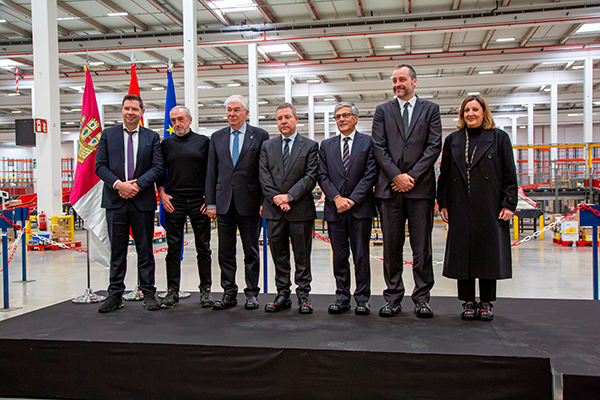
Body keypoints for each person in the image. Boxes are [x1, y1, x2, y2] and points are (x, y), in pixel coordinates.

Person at [437, 95, 518, 321]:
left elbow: (509, 174)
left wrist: (509, 203)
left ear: (484, 112)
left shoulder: (499, 138)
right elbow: (444, 175)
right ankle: (468, 302)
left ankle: (486, 302)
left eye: (475, 109)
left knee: (487, 253)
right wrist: (442, 202)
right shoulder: (453, 140)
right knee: (463, 254)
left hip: (490, 206)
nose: (470, 114)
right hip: (459, 205)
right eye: (466, 110)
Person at [372, 64, 442, 318]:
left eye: (402, 79)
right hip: (390, 189)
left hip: (420, 189)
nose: (397, 84)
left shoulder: (430, 110)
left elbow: (434, 146)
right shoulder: (383, 111)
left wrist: (410, 177)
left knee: (421, 247)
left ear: (414, 81)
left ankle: (422, 298)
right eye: (394, 80)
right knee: (391, 246)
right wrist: (396, 176)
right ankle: (392, 297)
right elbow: (378, 147)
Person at [95, 94, 164, 313]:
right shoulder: (108, 135)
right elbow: (100, 166)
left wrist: (136, 186)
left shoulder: (152, 137)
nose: (130, 112)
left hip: (142, 201)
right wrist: (118, 185)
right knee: (117, 251)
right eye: (127, 108)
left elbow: (157, 167)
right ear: (121, 110)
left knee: (145, 250)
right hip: (115, 202)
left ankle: (148, 293)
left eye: (135, 109)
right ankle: (115, 294)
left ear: (142, 112)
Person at [205, 95, 270, 310]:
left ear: (246, 113)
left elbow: (264, 172)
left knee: (251, 250)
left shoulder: (260, 136)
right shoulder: (216, 137)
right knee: (225, 251)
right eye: (228, 110)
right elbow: (211, 172)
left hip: (250, 202)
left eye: (236, 110)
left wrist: (263, 200)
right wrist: (211, 203)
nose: (231, 114)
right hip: (223, 203)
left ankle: (252, 293)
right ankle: (228, 292)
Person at [317, 102, 378, 315]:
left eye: (345, 115)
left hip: (360, 209)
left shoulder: (369, 143)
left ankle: (362, 298)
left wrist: (351, 200)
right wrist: (336, 198)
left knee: (361, 256)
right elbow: (322, 175)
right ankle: (342, 297)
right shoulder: (326, 145)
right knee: (339, 256)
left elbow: (371, 174)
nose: (341, 119)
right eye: (337, 116)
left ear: (356, 118)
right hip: (335, 210)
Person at [259, 102, 319, 314]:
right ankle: (282, 293)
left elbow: (310, 176)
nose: (283, 121)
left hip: (300, 209)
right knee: (279, 254)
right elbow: (264, 176)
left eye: (287, 117)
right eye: (279, 118)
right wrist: (277, 198)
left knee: (302, 254)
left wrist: (289, 196)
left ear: (296, 119)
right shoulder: (267, 146)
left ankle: (304, 294)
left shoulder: (310, 146)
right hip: (274, 210)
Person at [157, 106, 212, 309]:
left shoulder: (203, 142)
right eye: (173, 120)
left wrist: (210, 198)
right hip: (174, 202)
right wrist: (162, 193)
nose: (177, 124)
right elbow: (159, 171)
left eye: (181, 119)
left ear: (190, 119)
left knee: (203, 248)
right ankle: (172, 291)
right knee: (173, 249)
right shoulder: (166, 144)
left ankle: (205, 291)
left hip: (200, 202)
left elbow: (211, 171)